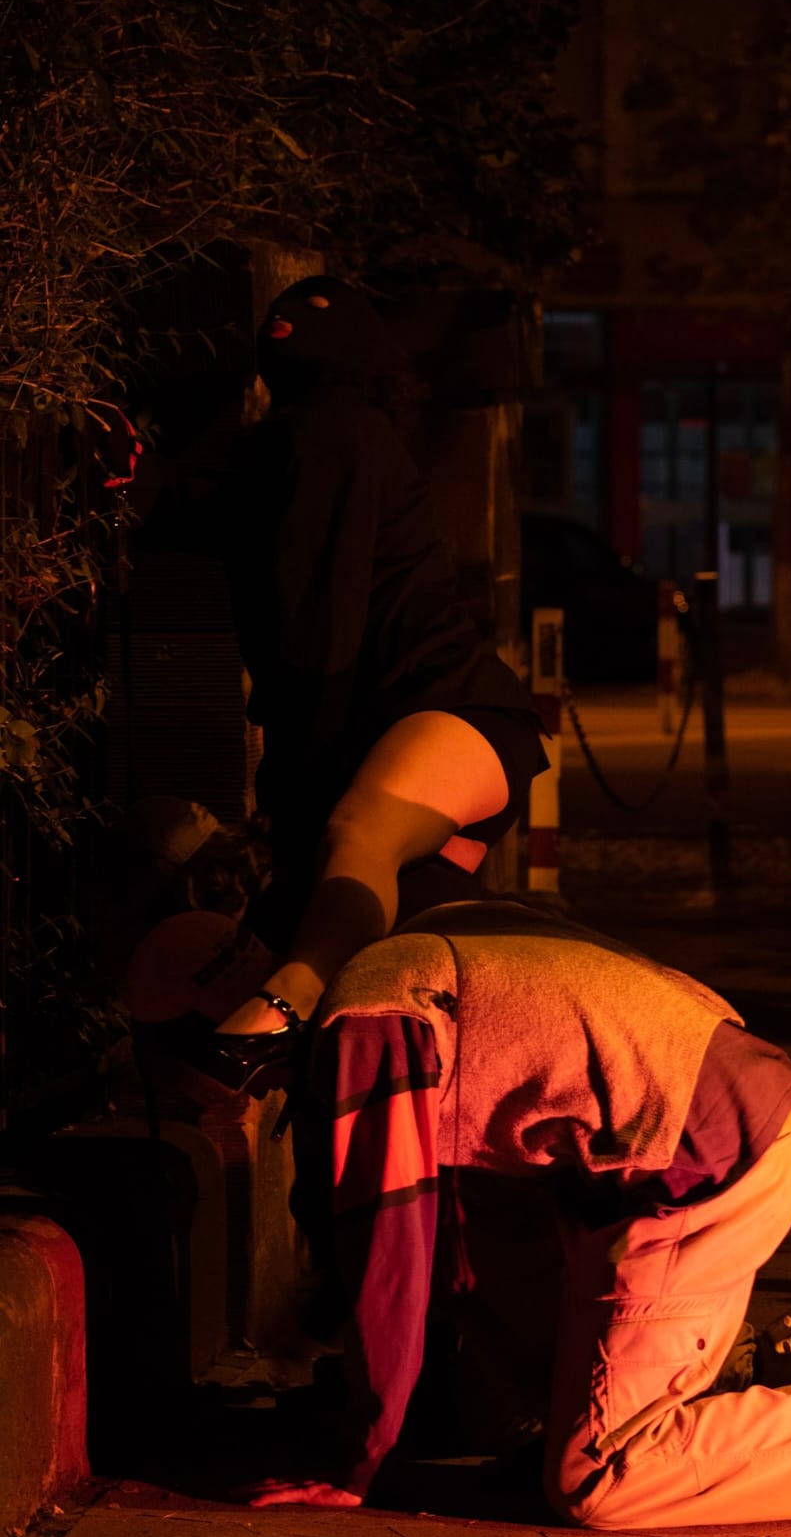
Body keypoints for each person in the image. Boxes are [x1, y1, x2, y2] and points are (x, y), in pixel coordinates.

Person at [248, 898, 791, 1530]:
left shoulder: (369, 1029)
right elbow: (454, 1235)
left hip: (703, 1171)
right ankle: (734, 1377)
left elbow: (391, 1249)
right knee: (507, 1402)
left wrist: (358, 1460)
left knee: (600, 1481)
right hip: (689, 1133)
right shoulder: (420, 942)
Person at [130, 275, 547, 1068]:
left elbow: (321, 629)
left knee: (359, 837)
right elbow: (201, 510)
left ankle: (286, 1006)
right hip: (404, 730)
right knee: (367, 914)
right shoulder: (286, 447)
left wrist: (295, 777)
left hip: (450, 707)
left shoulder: (338, 435)